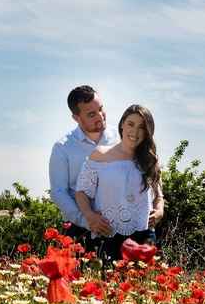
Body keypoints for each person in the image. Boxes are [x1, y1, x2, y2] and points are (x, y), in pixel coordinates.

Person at [74, 104, 164, 261]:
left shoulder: (149, 160)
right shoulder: (100, 154)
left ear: (147, 132)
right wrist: (90, 216)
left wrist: (159, 212)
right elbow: (82, 191)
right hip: (108, 233)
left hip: (143, 236)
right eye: (130, 124)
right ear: (122, 124)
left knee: (143, 284)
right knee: (106, 284)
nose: (135, 132)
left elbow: (158, 196)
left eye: (141, 127)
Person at [49, 85, 117, 249]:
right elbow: (59, 192)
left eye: (101, 109)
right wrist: (87, 220)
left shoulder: (121, 137)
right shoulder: (63, 147)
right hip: (80, 232)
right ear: (76, 118)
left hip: (119, 228)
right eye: (91, 114)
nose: (100, 116)